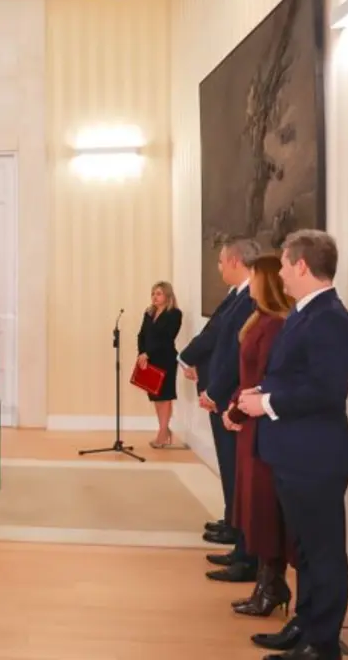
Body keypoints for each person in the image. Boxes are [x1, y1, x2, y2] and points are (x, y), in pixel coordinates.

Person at [238, 230, 348, 660]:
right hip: (294, 454)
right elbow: (293, 378)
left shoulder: (329, 318)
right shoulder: (305, 314)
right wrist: (259, 395)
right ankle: (305, 625)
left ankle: (321, 644)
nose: (281, 274)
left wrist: (265, 402)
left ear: (302, 265)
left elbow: (327, 392)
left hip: (316, 457)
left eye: (286, 265)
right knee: (304, 549)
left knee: (323, 553)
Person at [179, 237, 259, 581]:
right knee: (231, 473)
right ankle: (235, 532)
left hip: (229, 398)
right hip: (222, 395)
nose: (219, 267)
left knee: (237, 473)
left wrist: (214, 389)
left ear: (236, 261)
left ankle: (244, 548)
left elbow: (229, 351)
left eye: (222, 261)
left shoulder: (249, 299)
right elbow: (215, 335)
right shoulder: (237, 297)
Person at [222, 255, 294, 618]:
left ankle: (271, 584)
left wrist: (237, 407)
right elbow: (247, 375)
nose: (247, 281)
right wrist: (233, 404)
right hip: (249, 419)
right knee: (253, 505)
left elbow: (267, 378)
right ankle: (266, 584)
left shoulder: (276, 325)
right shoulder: (260, 320)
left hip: (264, 423)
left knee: (266, 508)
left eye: (253, 276)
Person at [135, 281, 182, 448]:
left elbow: (167, 339)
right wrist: (142, 353)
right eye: (153, 293)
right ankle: (164, 429)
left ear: (167, 296)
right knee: (156, 397)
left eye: (159, 293)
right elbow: (141, 335)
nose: (155, 296)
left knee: (165, 397)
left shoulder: (175, 314)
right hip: (149, 360)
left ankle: (162, 433)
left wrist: (149, 353)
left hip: (165, 359)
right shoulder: (149, 313)